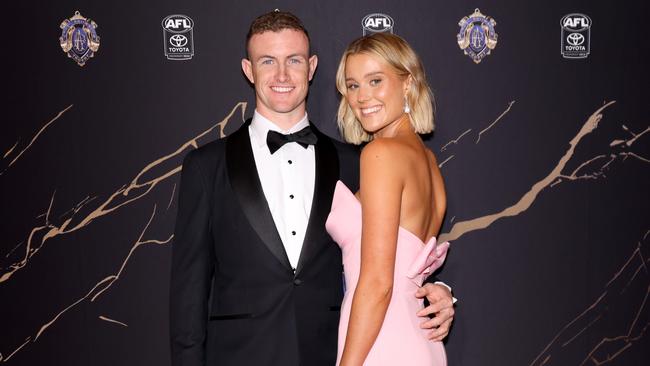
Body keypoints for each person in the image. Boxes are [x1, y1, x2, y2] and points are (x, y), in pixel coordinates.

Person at [169, 11, 454, 366]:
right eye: (268, 61)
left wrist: (439, 289)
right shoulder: (206, 167)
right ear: (248, 69)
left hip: (338, 351)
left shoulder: (357, 161)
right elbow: (188, 294)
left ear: (312, 66)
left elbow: (394, 256)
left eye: (294, 60)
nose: (282, 75)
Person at [326, 33, 450, 365]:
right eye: (352, 86)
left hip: (380, 342)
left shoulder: (380, 154)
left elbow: (379, 282)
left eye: (375, 81)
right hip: (416, 340)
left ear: (407, 83)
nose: (362, 97)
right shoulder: (429, 163)